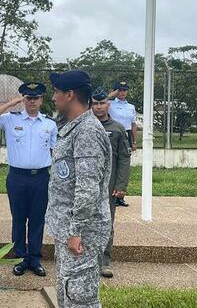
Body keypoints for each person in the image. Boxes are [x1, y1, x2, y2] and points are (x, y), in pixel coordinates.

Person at [45, 70, 112, 308]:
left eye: (56, 92)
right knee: (67, 290)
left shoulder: (87, 132)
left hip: (83, 232)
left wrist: (76, 232)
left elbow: (88, 187)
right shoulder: (75, 127)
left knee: (80, 297)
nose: (53, 97)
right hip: (69, 229)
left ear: (70, 95)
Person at [0, 82, 57, 277]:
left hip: (41, 177)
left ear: (41, 100)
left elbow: (54, 151)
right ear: (23, 99)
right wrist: (10, 104)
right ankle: (20, 258)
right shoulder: (9, 119)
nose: (32, 101)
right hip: (17, 177)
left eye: (35, 97)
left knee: (37, 219)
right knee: (19, 219)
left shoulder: (49, 124)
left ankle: (34, 259)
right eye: (28, 97)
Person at [91, 87, 131, 278]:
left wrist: (121, 185)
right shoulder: (84, 126)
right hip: (86, 185)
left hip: (108, 186)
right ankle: (85, 259)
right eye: (95, 103)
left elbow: (124, 158)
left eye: (102, 103)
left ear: (108, 104)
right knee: (83, 222)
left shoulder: (117, 129)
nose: (99, 107)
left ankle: (104, 261)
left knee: (106, 223)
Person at [108, 80, 136, 207]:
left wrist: (134, 141)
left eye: (125, 90)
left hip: (127, 135)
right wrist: (111, 95)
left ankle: (120, 195)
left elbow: (133, 124)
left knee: (124, 164)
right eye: (120, 90)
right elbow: (95, 101)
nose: (122, 92)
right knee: (112, 164)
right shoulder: (109, 104)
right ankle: (110, 193)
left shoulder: (131, 107)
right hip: (113, 134)